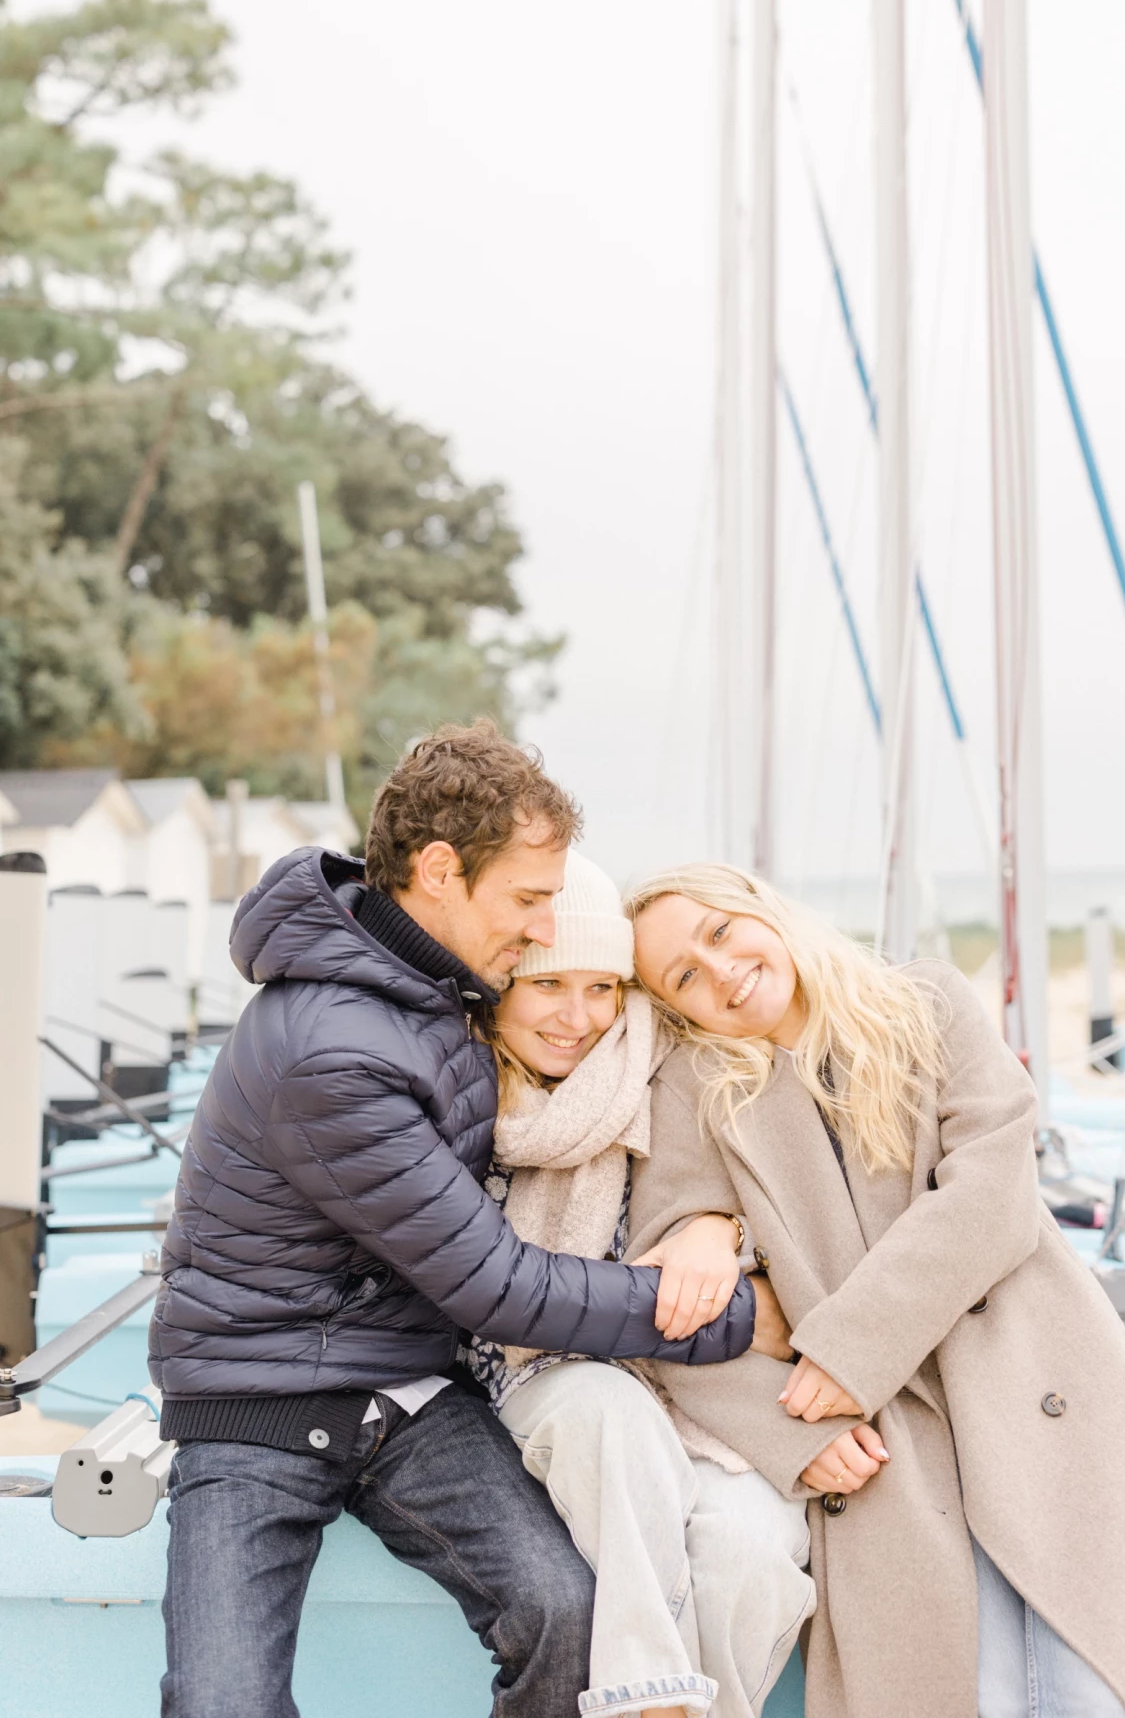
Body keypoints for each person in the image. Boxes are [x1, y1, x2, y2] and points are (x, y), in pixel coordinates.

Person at [148, 727, 755, 1718]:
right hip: (254, 1405)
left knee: (564, 1614)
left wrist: (715, 1221)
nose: (541, 927)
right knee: (220, 1704)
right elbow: (498, 1287)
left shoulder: (436, 993)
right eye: (526, 900)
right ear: (438, 871)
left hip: (412, 1398)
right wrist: (738, 1320)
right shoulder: (334, 1048)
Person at [625, 861, 1125, 1718]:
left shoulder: (924, 1006)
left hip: (1044, 1391)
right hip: (881, 1459)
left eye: (718, 932)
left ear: (759, 909)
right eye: (685, 978)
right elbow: (665, 1310)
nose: (722, 971)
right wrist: (785, 1433)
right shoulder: (696, 1093)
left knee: (1101, 1686)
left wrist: (851, 1348)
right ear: (677, 1012)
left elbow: (994, 1194)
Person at [462, 850, 815, 1718]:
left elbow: (766, 1205)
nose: (578, 1019)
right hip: (537, 1375)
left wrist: (720, 1230)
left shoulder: (665, 1069)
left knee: (754, 1550)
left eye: (603, 987)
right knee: (607, 1417)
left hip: (694, 1391)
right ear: (501, 985)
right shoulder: (459, 1096)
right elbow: (476, 1300)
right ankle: (650, 1704)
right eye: (548, 985)